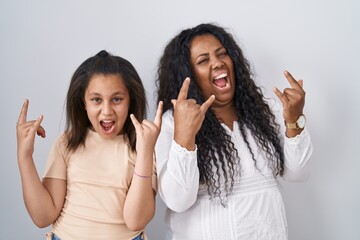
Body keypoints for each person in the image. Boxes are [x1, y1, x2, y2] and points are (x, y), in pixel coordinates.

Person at [155, 23, 313, 239]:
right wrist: (185, 136)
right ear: (187, 76)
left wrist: (294, 119)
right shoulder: (171, 123)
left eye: (222, 54)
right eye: (203, 60)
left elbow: (298, 173)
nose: (218, 62)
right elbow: (177, 200)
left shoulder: (264, 112)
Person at [16, 50, 163, 240]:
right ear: (83, 102)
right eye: (96, 100)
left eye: (117, 99)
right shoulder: (67, 143)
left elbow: (136, 221)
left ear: (130, 101)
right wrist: (24, 157)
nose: (107, 110)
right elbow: (43, 216)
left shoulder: (142, 146)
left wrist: (145, 152)